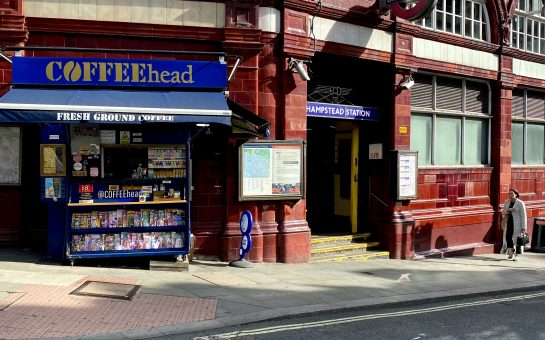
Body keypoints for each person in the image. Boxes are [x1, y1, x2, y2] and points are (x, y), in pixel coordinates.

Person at [502, 188, 528, 261]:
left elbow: (523, 215)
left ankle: (517, 255)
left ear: (516, 194)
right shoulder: (507, 202)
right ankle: (511, 251)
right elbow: (503, 212)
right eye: (509, 193)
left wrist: (524, 227)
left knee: (517, 239)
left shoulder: (520, 203)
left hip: (518, 223)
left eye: (512, 193)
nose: (510, 195)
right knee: (508, 237)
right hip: (509, 222)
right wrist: (508, 210)